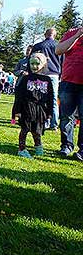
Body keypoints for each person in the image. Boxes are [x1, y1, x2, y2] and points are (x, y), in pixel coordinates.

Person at [12, 53, 54, 159]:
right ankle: (21, 149)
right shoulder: (26, 79)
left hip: (41, 110)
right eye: (32, 64)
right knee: (25, 129)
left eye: (37, 63)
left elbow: (50, 97)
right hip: (27, 108)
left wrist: (49, 112)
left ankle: (38, 146)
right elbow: (19, 96)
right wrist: (17, 111)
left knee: (37, 130)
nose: (34, 66)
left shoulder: (47, 80)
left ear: (43, 64)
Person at [55, 27, 83, 160]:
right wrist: (77, 35)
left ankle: (82, 150)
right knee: (66, 116)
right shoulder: (71, 33)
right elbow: (58, 50)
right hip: (68, 82)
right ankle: (66, 145)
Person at [31, 28, 62, 130]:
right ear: (55, 35)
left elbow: (31, 60)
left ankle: (40, 120)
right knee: (53, 99)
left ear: (45, 34)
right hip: (54, 74)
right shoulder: (59, 46)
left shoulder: (38, 46)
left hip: (41, 74)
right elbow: (63, 62)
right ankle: (54, 124)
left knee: (39, 98)